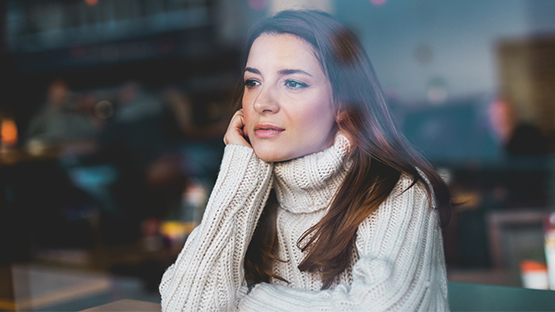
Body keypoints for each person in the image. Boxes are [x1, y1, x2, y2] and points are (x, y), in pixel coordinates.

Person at [159, 10, 451, 311]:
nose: (262, 103)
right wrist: (239, 178)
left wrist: (241, 301)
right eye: (252, 82)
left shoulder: (398, 189)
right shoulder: (249, 188)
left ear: (343, 103)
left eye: (293, 83)